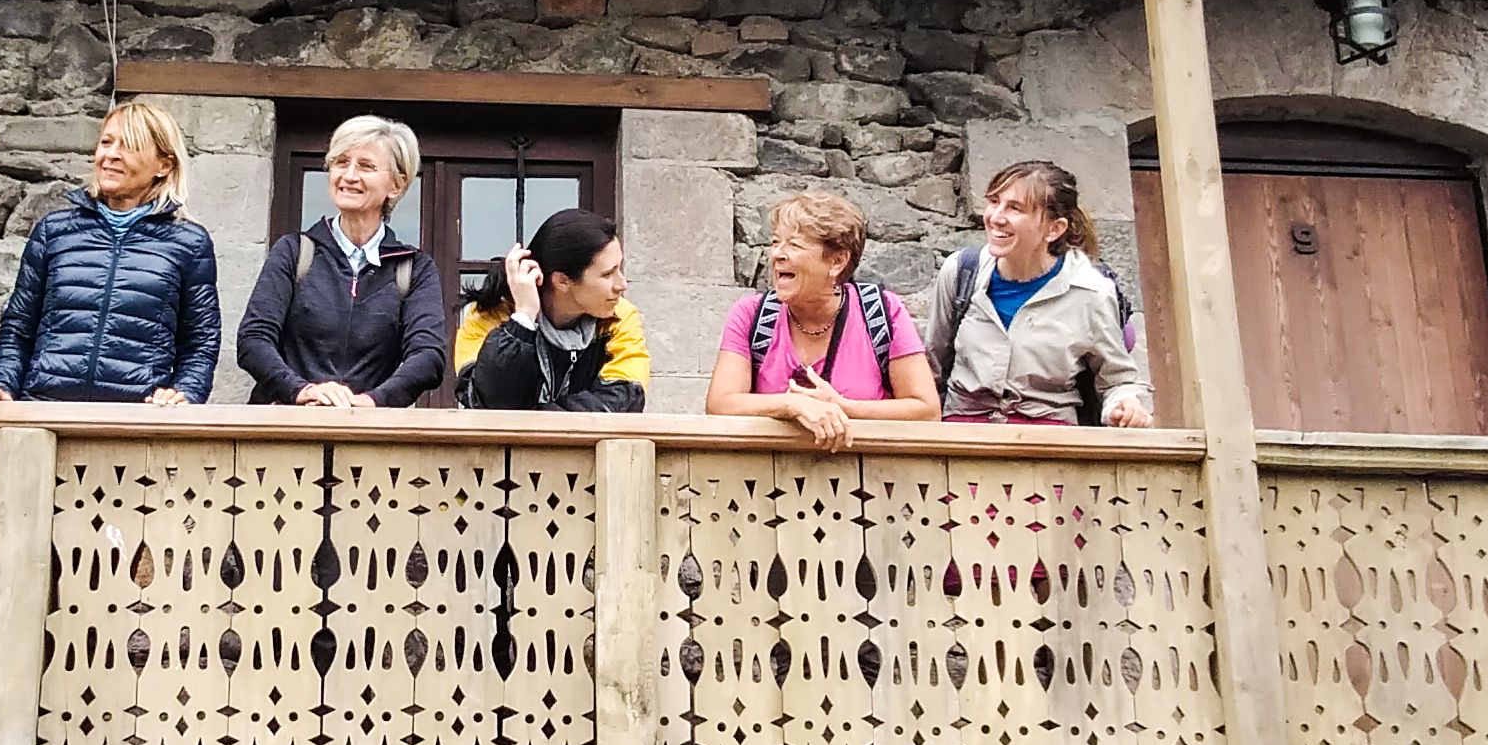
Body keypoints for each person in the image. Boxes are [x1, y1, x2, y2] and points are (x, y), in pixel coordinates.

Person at [0, 99, 219, 408]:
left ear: (164, 165)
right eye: (106, 142)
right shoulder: (54, 231)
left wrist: (186, 393)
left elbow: (200, 341)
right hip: (43, 410)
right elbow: (18, 327)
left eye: (129, 146)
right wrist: (2, 384)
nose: (110, 155)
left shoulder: (188, 243)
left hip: (135, 419)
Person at [237, 114, 448, 408]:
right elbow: (253, 340)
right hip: (286, 428)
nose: (348, 176)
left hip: (370, 434)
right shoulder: (293, 252)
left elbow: (428, 357)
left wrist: (372, 401)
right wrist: (302, 390)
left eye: (366, 166)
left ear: (396, 186)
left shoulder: (414, 269)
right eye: (340, 162)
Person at [924, 158, 1153, 427]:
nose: (996, 218)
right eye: (994, 202)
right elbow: (931, 368)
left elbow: (1117, 381)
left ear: (1055, 229)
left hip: (1050, 443)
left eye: (1015, 208)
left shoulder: (1092, 292)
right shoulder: (961, 272)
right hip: (962, 436)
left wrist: (1124, 406)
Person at [705, 192, 939, 449]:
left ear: (837, 261)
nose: (777, 255)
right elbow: (720, 403)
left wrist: (845, 407)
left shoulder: (882, 312)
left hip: (870, 480)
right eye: (775, 242)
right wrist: (792, 405)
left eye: (794, 245)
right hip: (767, 481)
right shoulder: (751, 315)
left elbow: (926, 410)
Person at [454, 206, 649, 412]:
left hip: (581, 445)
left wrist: (532, 415)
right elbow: (490, 404)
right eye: (607, 274)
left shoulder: (620, 316)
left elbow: (622, 401)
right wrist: (524, 318)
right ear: (562, 280)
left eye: (619, 268)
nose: (622, 284)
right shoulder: (489, 314)